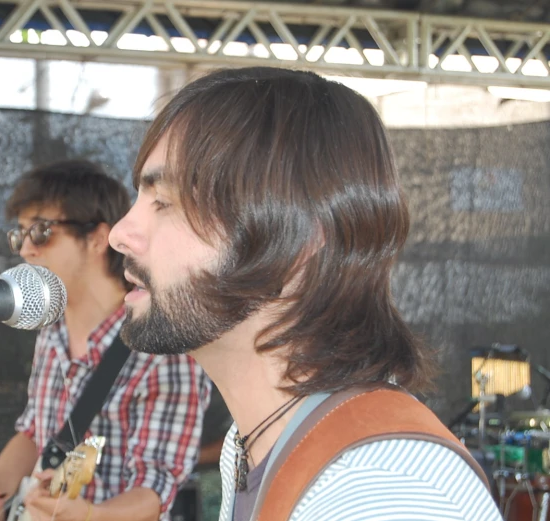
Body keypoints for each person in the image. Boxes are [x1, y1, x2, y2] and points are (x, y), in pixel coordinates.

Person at [107, 67, 503, 521]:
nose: (121, 233)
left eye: (165, 202)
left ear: (296, 243)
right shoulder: (260, 442)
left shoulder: (382, 491)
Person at [0, 159, 211, 521]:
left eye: (42, 231)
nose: (26, 250)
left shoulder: (162, 346)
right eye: (20, 234)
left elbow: (156, 486)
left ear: (96, 238)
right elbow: (34, 432)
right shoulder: (51, 330)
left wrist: (90, 515)